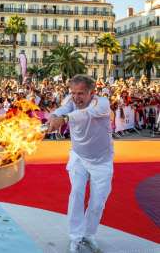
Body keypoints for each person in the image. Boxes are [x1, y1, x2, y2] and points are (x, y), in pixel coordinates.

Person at [48, 74, 113, 253]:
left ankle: (89, 235)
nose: (77, 97)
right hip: (79, 157)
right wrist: (54, 116)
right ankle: (75, 237)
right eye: (74, 93)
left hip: (102, 161)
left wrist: (65, 119)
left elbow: (84, 115)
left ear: (91, 92)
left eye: (81, 93)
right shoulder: (71, 100)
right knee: (76, 194)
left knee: (98, 202)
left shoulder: (102, 104)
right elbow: (63, 109)